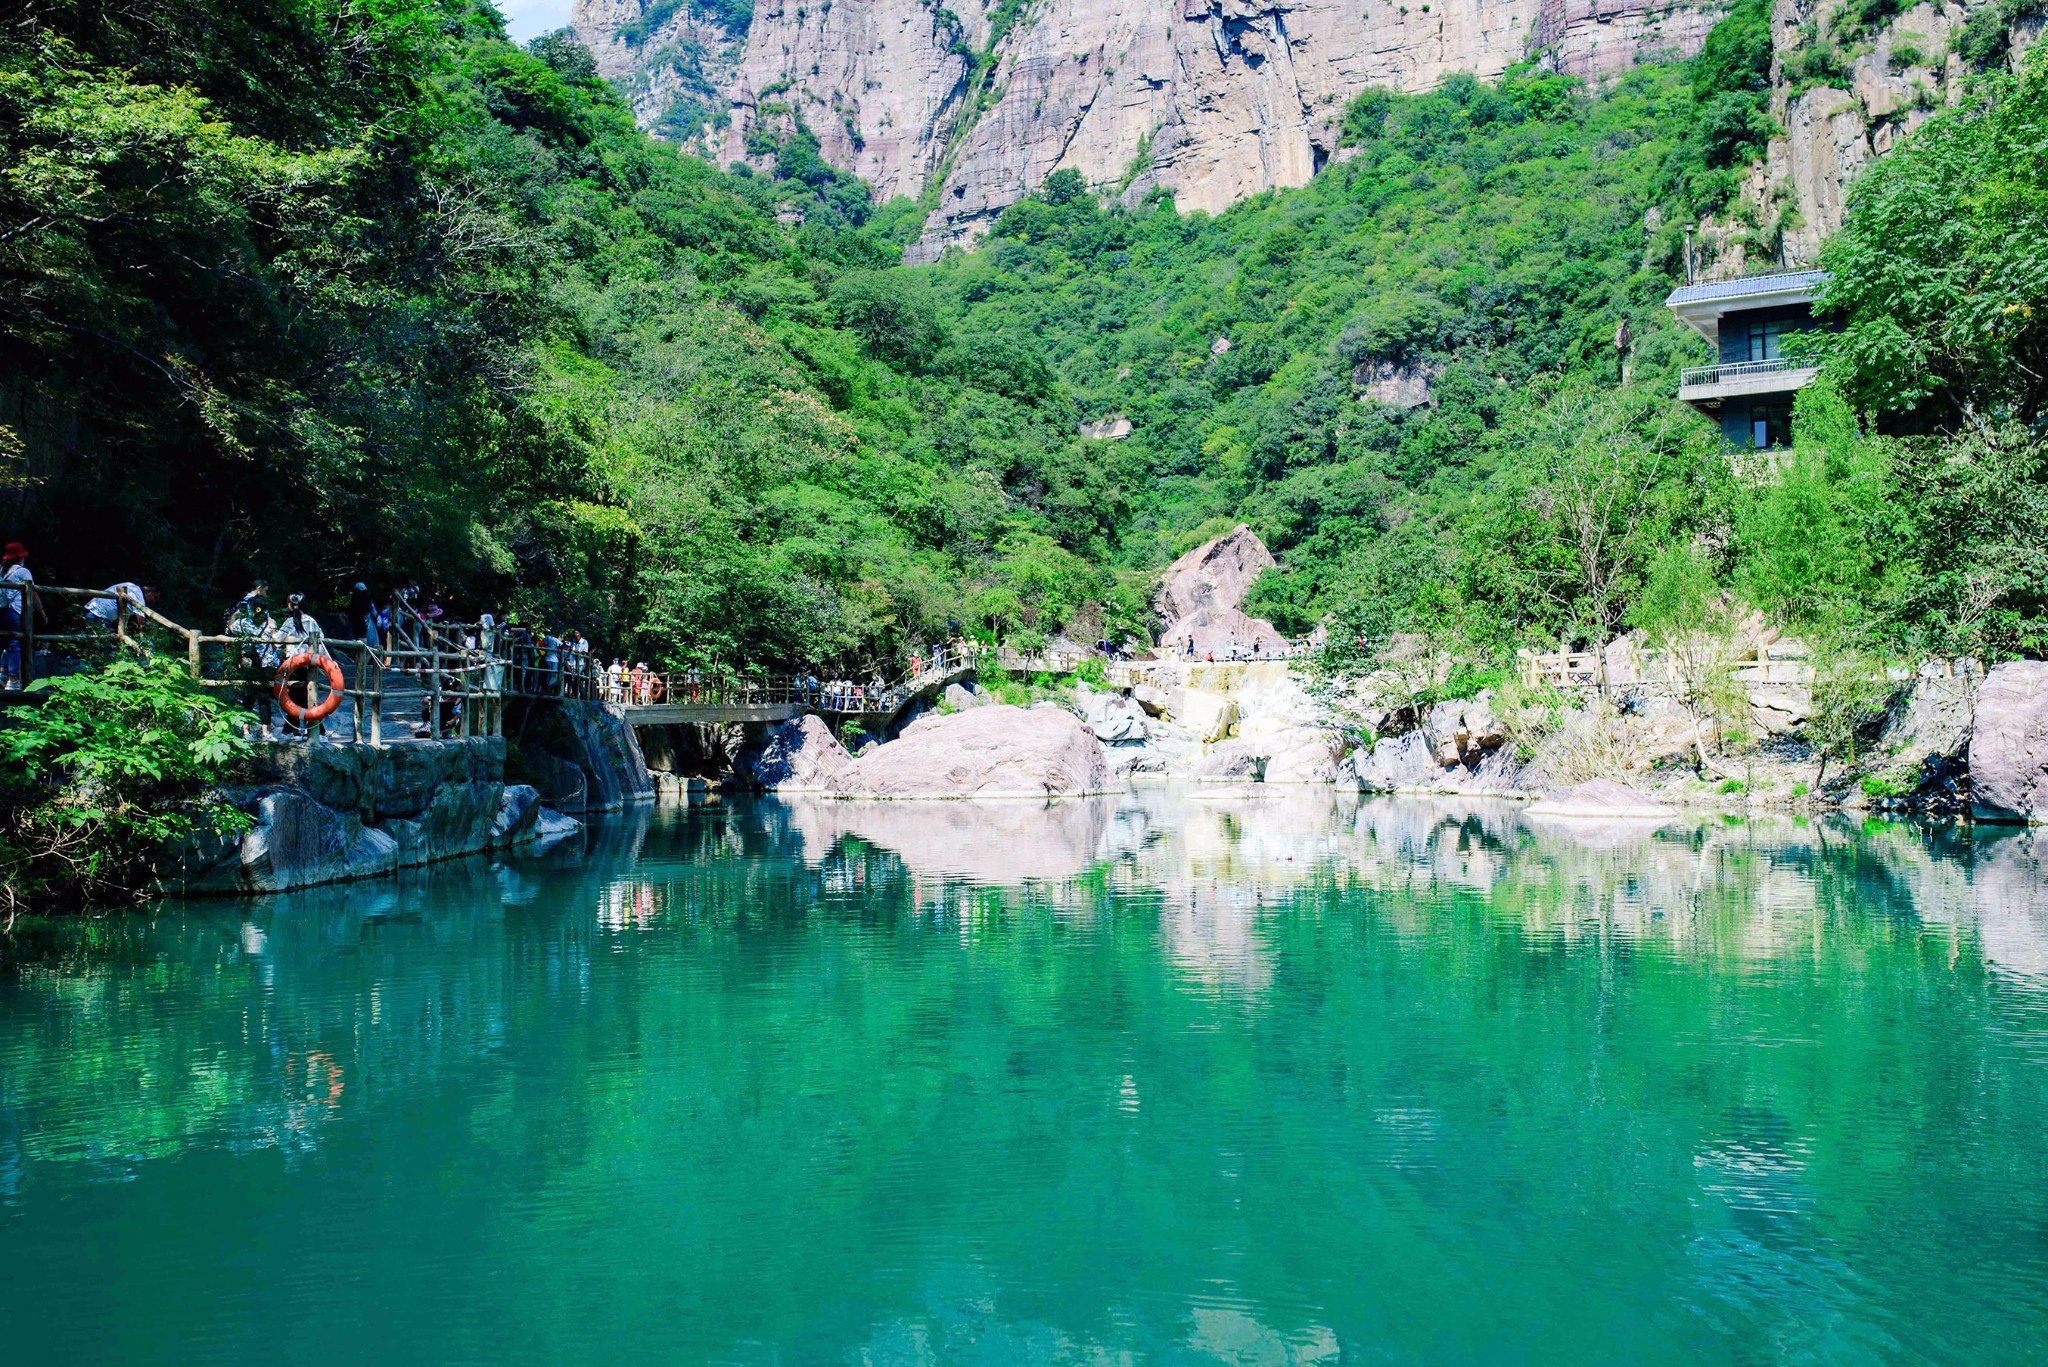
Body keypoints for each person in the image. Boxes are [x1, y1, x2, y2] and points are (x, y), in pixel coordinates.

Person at [2, 541, 45, 689]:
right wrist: (42, 613)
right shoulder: (23, 571)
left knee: (7, 643)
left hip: (3, 611)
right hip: (16, 610)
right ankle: (13, 679)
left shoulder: (1, 570)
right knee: (16, 644)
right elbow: (33, 593)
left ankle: (3, 673)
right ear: (20, 557)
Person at [86, 582, 155, 632]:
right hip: (99, 616)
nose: (153, 601)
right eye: (155, 597)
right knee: (105, 647)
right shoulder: (138, 592)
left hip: (93, 611)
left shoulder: (131, 586)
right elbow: (140, 621)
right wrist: (148, 628)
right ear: (150, 592)